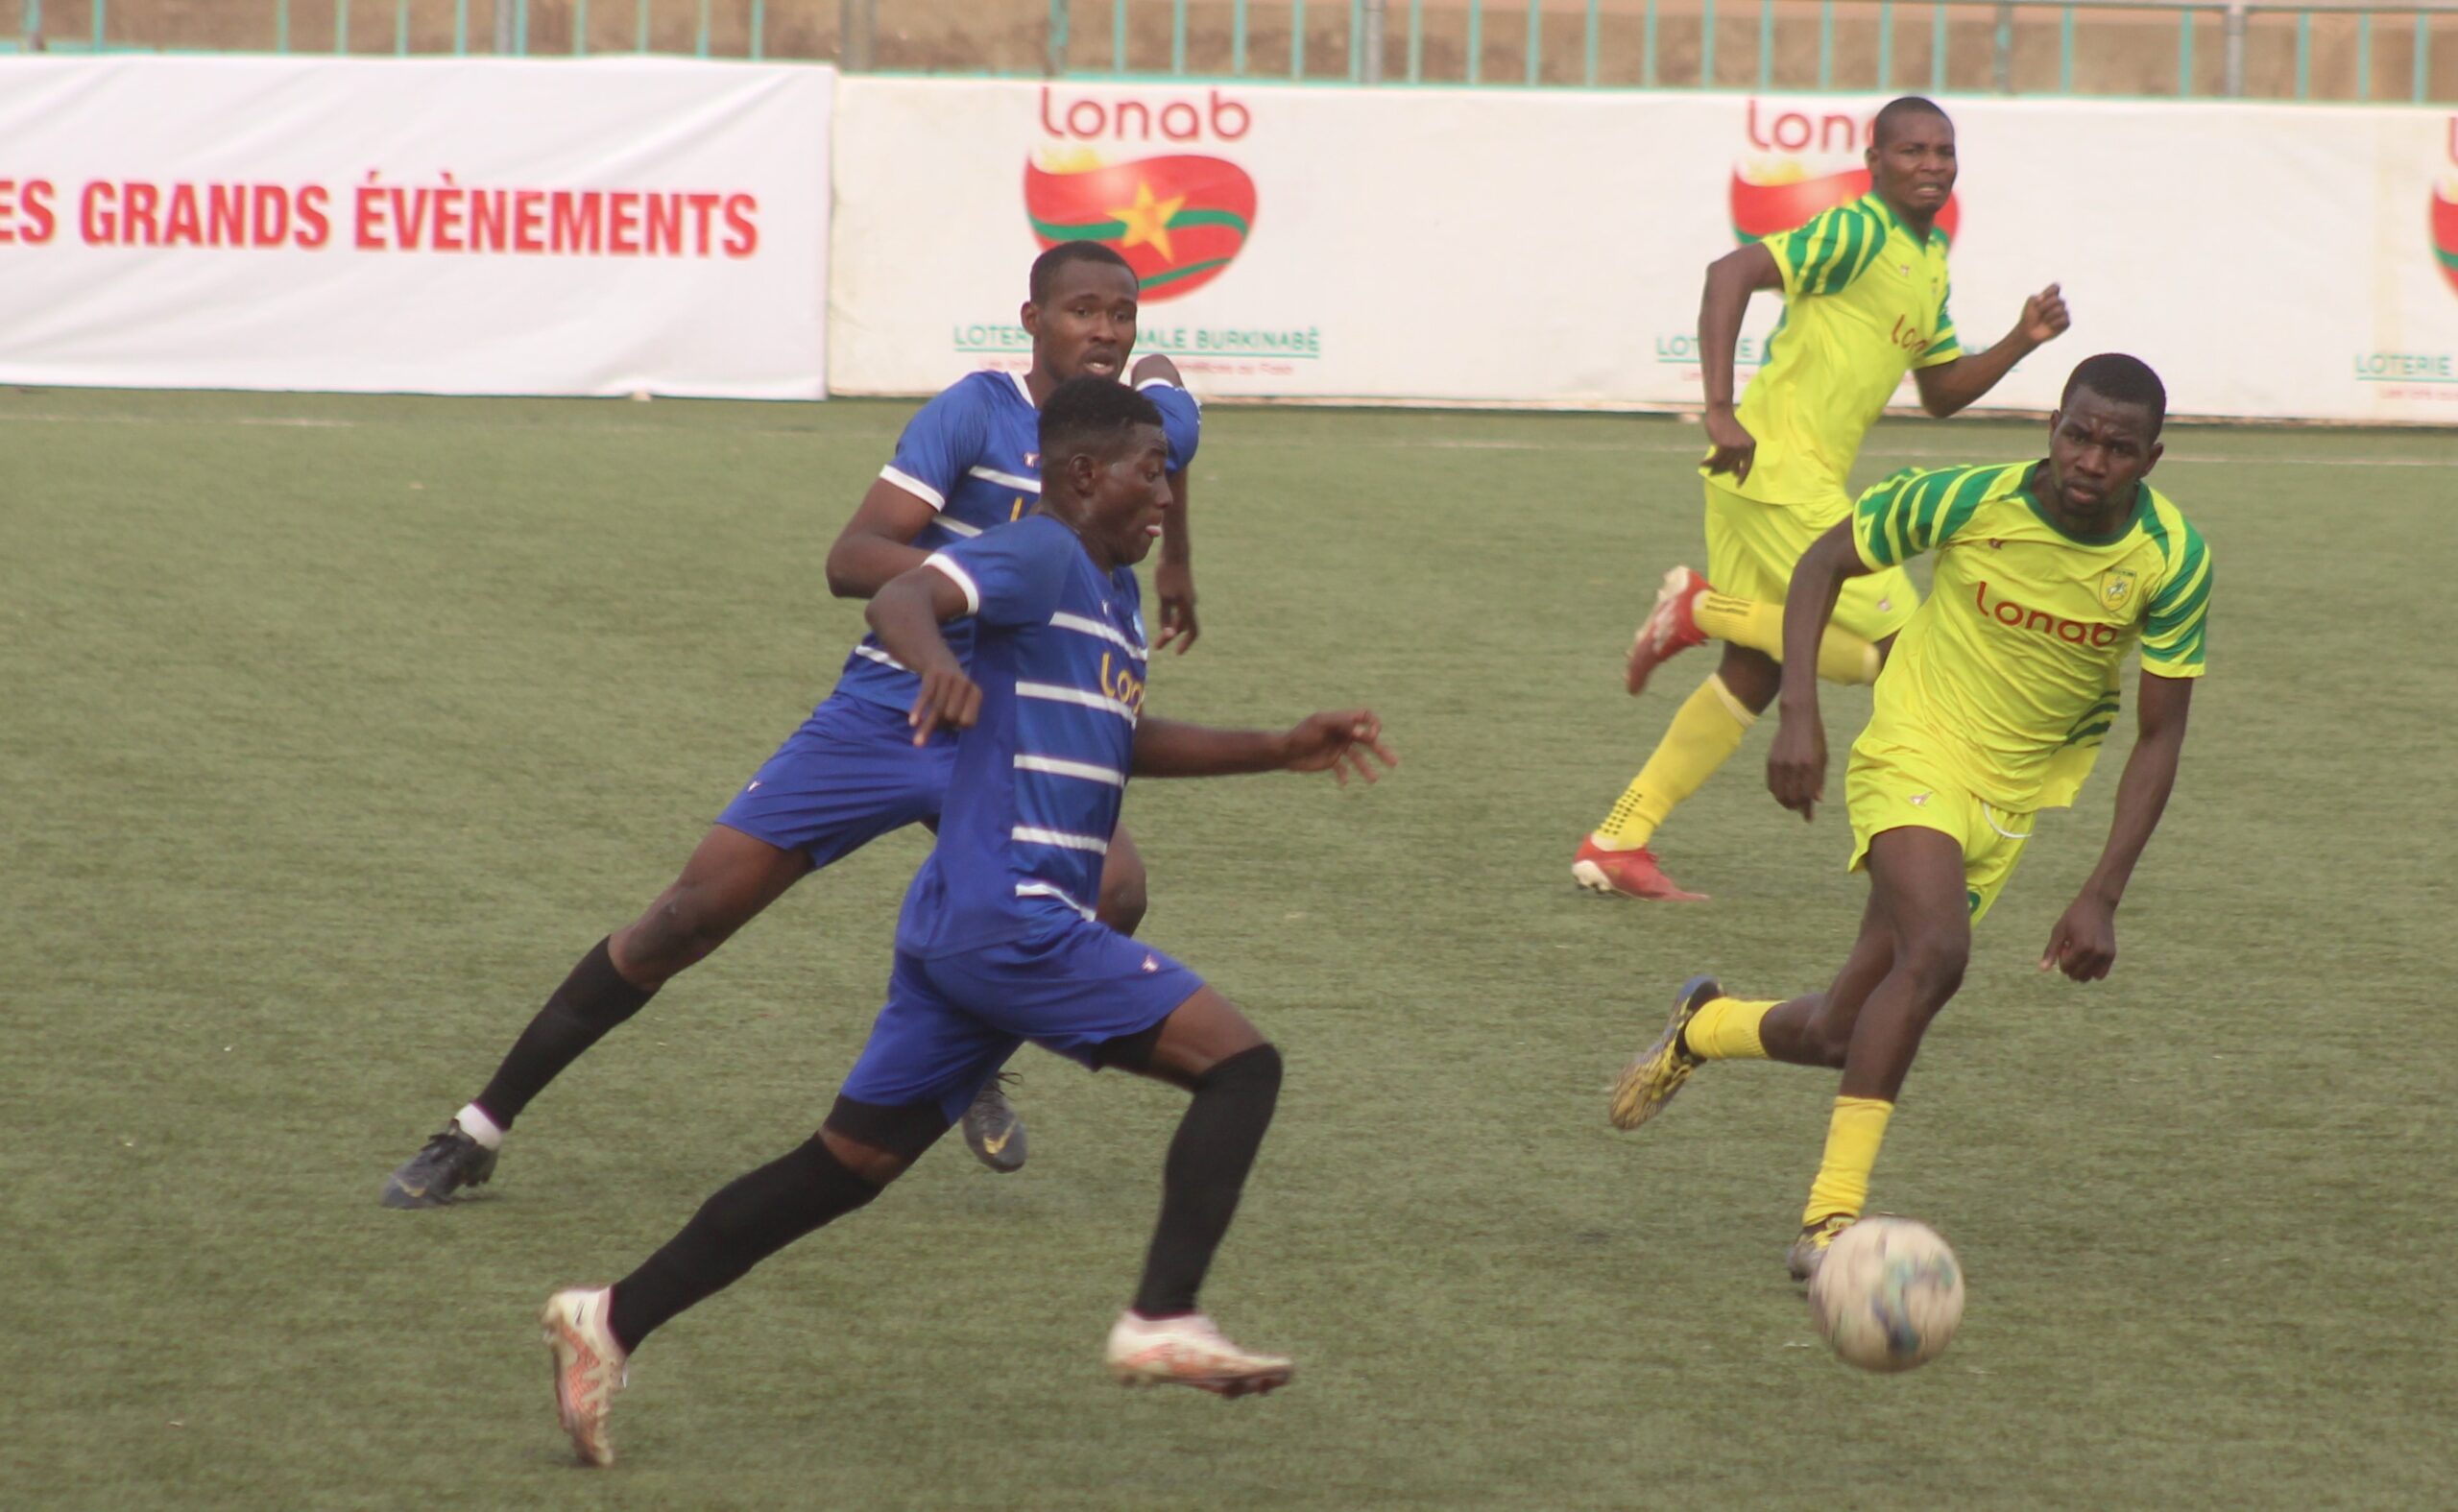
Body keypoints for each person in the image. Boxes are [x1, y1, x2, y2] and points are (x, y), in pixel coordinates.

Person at [539, 377, 1397, 1465]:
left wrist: (1276, 748)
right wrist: (939, 664)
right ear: (1082, 474)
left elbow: (1118, 737)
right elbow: (897, 599)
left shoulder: (1108, 594)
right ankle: (1163, 1314)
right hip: (1012, 915)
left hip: (967, 922)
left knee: (843, 1165)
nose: (1166, 497)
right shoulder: (1038, 551)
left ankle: (609, 1318)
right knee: (1242, 1067)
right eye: (1150, 474)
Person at [381, 243, 1203, 1206]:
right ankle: (478, 1127)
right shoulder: (976, 414)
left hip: (1015, 729)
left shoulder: (1135, 424)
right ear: (1032, 321)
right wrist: (977, 582)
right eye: (1082, 311)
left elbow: (1172, 436)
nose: (1105, 331)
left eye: (1121, 314)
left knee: (1116, 889)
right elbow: (852, 557)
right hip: (892, 706)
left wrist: (1176, 559)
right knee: (684, 919)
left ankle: (971, 1047)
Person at [1606, 354, 2208, 1279]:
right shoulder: (1965, 498)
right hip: (1912, 751)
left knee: (1842, 1031)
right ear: (2051, 427)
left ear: (2152, 459)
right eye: (2078, 434)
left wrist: (2103, 891)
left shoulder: (2171, 559)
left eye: (2119, 448)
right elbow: (1823, 561)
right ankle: (1827, 1223)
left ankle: (1702, 1027)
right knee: (1937, 954)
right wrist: (1799, 712)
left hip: (2009, 801)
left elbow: (2160, 735)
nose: (2092, 459)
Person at [1574, 94, 2071, 901]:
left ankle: (1618, 838)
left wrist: (2022, 339)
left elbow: (1940, 391)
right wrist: (1719, 407)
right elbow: (1730, 272)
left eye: (1944, 151)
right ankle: (1703, 609)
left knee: (1757, 671)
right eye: (1912, 150)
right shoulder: (1857, 230)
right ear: (1873, 163)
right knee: (1906, 649)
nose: (1932, 165)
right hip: (1777, 473)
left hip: (1771, 479)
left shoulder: (1929, 261)